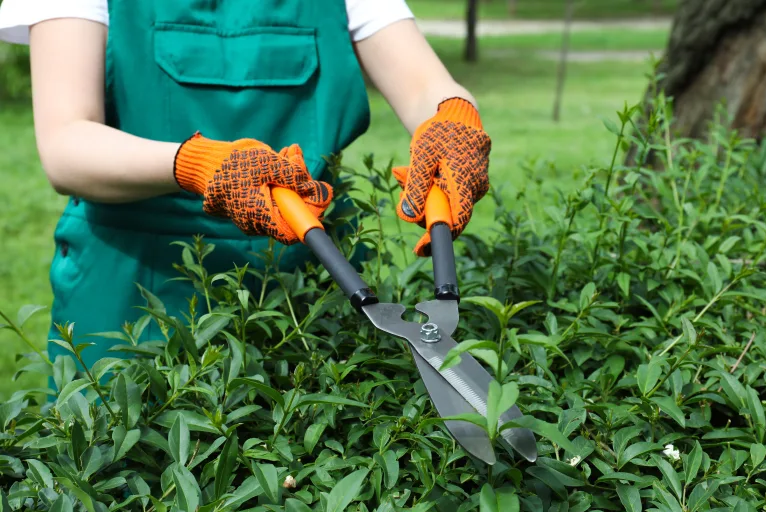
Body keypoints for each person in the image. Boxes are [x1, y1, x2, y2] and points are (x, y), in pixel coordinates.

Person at [0, 0, 492, 375]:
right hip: (131, 293)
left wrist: (453, 112)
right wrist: (192, 162)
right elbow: (65, 143)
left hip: (314, 282)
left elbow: (426, 86)